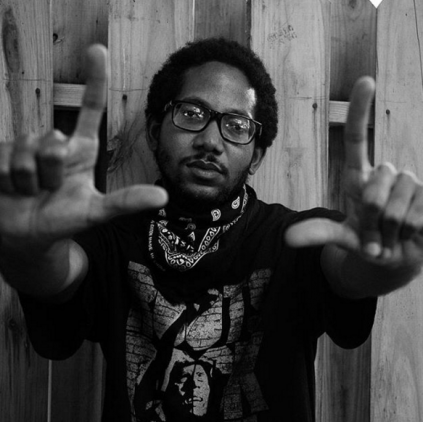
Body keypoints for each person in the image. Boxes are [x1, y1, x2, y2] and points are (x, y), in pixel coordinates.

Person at [1, 37, 423, 422]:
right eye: (192, 114)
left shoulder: (296, 238)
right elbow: (57, 275)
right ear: (155, 132)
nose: (210, 140)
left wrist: (384, 261)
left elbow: (350, 270)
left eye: (236, 125)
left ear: (256, 157)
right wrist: (29, 248)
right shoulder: (112, 238)